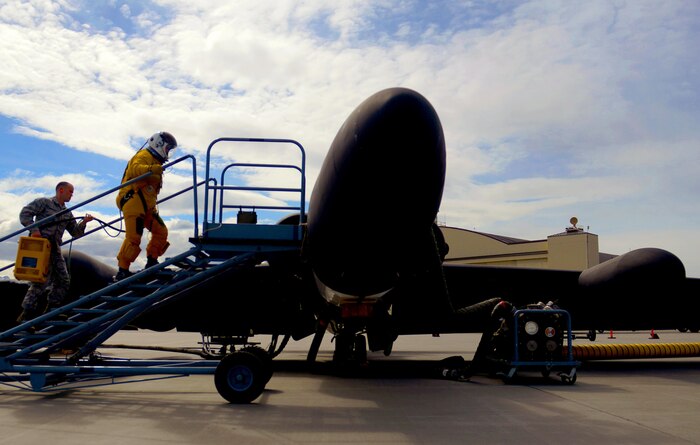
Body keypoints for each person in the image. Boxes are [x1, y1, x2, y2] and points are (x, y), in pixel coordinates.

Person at [17, 182, 94, 322]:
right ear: (61, 190)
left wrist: (84, 223)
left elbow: (75, 233)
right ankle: (27, 314)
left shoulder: (67, 213)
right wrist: (34, 230)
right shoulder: (44, 203)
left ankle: (51, 309)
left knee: (63, 280)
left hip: (54, 248)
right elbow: (25, 214)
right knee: (40, 281)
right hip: (41, 246)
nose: (72, 194)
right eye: (70, 191)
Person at [115, 131, 177, 281]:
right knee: (134, 237)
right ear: (159, 144)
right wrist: (150, 170)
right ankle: (122, 270)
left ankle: (152, 262)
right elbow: (134, 169)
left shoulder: (155, 161)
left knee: (161, 231)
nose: (168, 153)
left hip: (147, 206)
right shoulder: (143, 156)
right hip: (132, 200)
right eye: (168, 149)